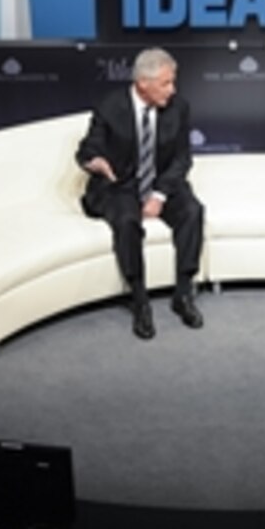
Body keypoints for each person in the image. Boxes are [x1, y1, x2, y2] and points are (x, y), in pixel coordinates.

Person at [77, 47, 204, 340]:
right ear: (142, 84)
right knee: (127, 222)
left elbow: (182, 159)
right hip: (120, 183)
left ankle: (183, 294)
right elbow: (88, 148)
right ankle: (139, 299)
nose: (172, 90)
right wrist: (93, 162)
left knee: (193, 212)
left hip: (161, 182)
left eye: (173, 82)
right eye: (166, 83)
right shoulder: (110, 106)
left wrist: (159, 195)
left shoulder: (178, 107)